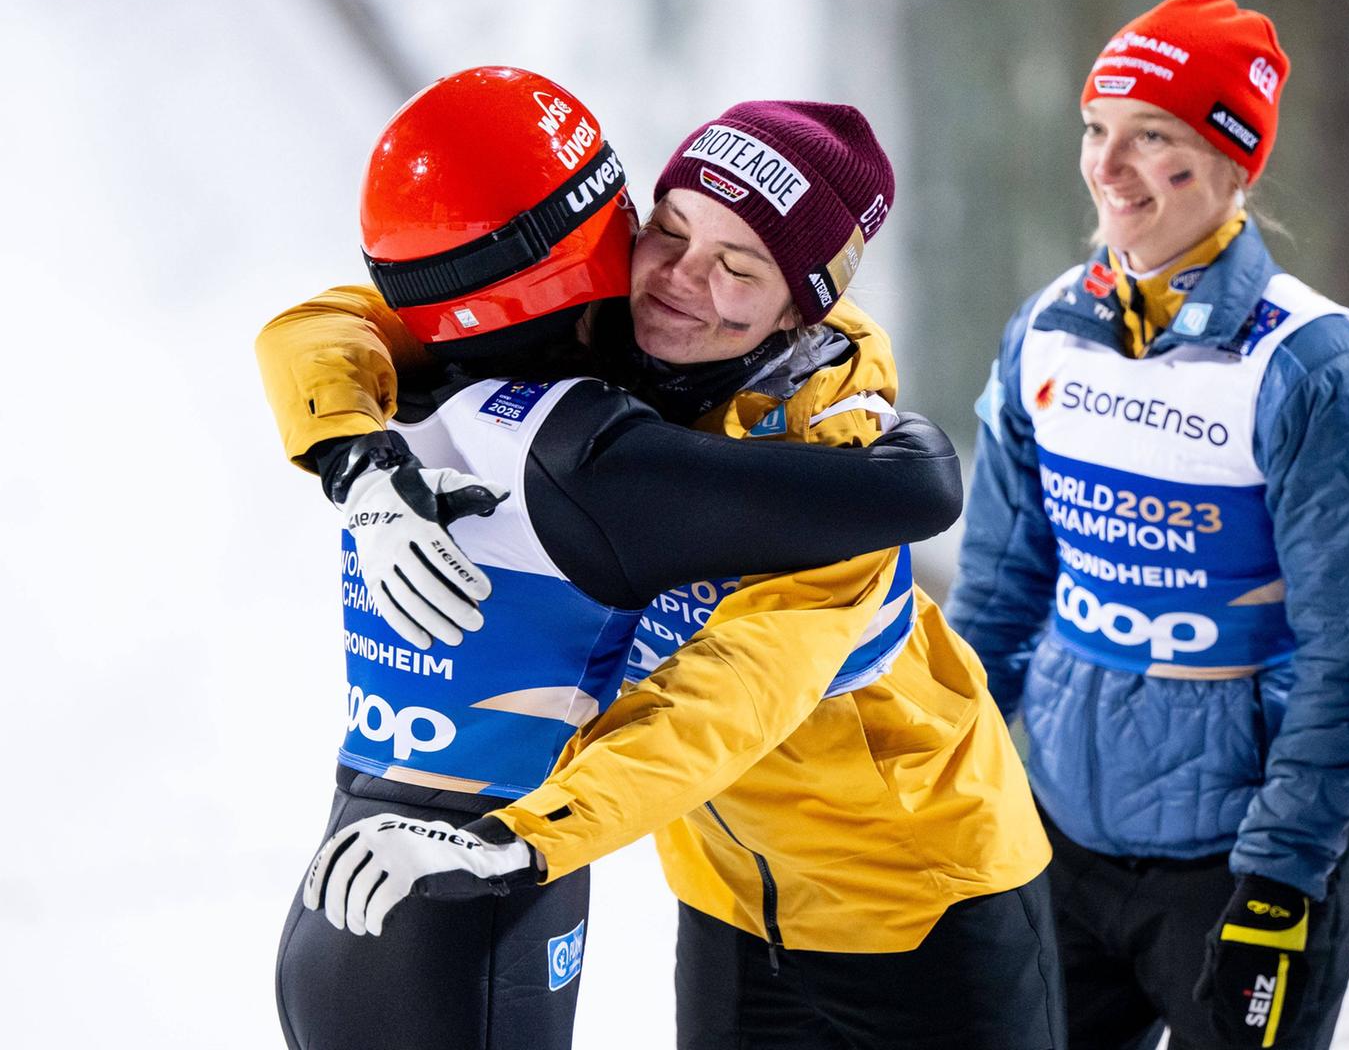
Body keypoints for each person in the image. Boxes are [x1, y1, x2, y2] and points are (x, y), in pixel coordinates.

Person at [264, 72, 1061, 1050]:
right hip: (728, 898)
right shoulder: (605, 337)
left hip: (922, 896)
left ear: (799, 313)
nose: (682, 278)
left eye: (739, 268)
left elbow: (724, 702)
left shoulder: (823, 470)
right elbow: (334, 321)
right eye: (672, 231)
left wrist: (522, 839)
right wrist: (354, 461)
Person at [947, 0, 1349, 1050]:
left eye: (1152, 136)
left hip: (1237, 865)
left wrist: (1282, 873)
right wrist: (952, 784)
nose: (1108, 167)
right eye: (1095, 130)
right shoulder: (1048, 329)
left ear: (1232, 160)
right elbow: (1000, 594)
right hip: (1061, 844)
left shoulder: (1310, 365)